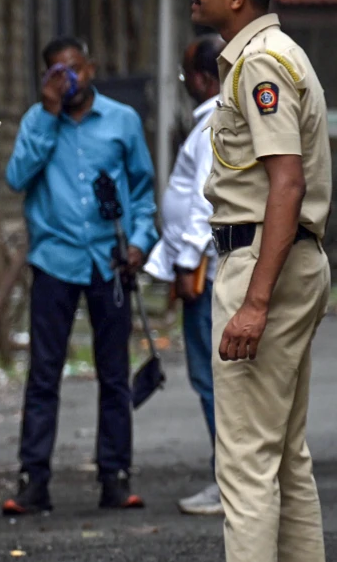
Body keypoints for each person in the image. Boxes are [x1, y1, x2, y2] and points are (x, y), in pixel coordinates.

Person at [172, 0, 331, 562]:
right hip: (285, 256)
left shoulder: (260, 62)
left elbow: (286, 183)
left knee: (244, 464)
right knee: (285, 456)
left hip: (264, 258)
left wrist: (256, 301)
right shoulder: (270, 54)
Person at [3, 36, 157, 514]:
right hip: (55, 259)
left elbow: (143, 190)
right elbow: (16, 178)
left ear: (90, 69)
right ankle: (33, 481)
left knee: (113, 373)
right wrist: (49, 114)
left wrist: (140, 242)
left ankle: (115, 477)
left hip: (110, 260)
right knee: (44, 373)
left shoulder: (122, 120)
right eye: (57, 72)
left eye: (74, 69)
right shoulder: (37, 120)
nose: (67, 79)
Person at [144, 34, 225, 516]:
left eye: (186, 75)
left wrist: (186, 262)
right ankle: (231, 475)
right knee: (211, 377)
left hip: (206, 273)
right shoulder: (209, 123)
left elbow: (203, 202)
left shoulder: (213, 125)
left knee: (212, 379)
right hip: (203, 269)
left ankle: (229, 479)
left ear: (201, 78)